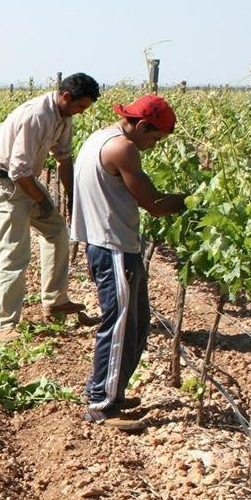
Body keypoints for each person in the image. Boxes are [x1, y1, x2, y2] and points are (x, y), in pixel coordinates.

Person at [70, 95, 188, 432]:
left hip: (107, 245)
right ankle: (101, 405)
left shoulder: (98, 137)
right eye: (154, 137)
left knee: (136, 324)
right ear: (140, 125)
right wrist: (197, 199)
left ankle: (112, 392)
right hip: (114, 248)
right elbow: (155, 204)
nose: (154, 144)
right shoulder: (124, 148)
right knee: (120, 326)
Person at [0, 72, 100, 341]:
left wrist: (72, 197)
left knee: (57, 231)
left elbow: (64, 159)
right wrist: (40, 200)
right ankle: (4, 325)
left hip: (25, 181)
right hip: (5, 181)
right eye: (81, 106)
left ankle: (55, 300)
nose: (81, 113)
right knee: (15, 251)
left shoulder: (64, 117)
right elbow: (18, 171)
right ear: (66, 96)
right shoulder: (36, 116)